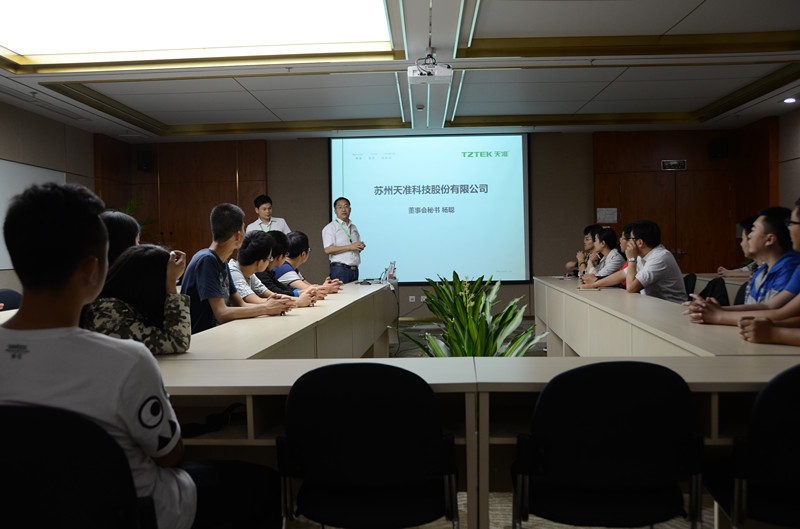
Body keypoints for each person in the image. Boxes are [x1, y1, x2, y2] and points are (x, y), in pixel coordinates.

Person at [0, 183, 282, 529]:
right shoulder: (125, 361)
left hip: (27, 510)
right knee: (263, 485)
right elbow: (169, 455)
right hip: (136, 509)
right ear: (92, 269)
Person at [182, 203, 294, 334]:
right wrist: (266, 308)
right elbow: (222, 313)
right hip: (203, 337)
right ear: (237, 235)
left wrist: (272, 304)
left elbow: (240, 304)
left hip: (218, 333)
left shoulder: (222, 262)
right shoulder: (207, 260)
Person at [685, 203, 800, 325]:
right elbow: (768, 306)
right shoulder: (762, 270)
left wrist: (718, 315)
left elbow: (779, 314)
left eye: (753, 230)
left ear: (770, 239)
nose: (749, 236)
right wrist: (715, 310)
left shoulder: (790, 267)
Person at [81, 244, 192, 355]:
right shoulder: (107, 313)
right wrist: (171, 283)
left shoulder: (129, 306)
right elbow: (178, 341)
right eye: (169, 282)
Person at [228, 231, 316, 308]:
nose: (270, 262)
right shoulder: (234, 273)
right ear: (259, 263)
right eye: (269, 258)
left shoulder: (250, 273)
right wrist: (297, 302)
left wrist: (300, 298)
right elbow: (257, 301)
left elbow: (272, 295)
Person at [624, 220, 687, 303]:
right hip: (654, 304)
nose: (629, 242)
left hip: (671, 307)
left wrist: (631, 259)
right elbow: (622, 274)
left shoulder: (660, 257)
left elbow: (631, 288)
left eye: (631, 238)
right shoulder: (644, 255)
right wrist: (603, 283)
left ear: (640, 242)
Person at [275, 231, 343, 294]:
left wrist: (324, 286)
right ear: (303, 254)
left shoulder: (288, 266)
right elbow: (310, 290)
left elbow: (309, 286)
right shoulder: (284, 268)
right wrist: (325, 288)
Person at [322, 196, 365, 284]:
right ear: (335, 211)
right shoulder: (330, 227)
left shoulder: (353, 227)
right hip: (340, 270)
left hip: (354, 270)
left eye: (346, 206)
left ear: (350, 209)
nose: (343, 210)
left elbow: (355, 248)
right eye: (340, 207)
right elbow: (328, 249)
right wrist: (350, 247)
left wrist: (359, 247)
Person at [577, 224, 633, 290]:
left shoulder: (616, 257)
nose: (594, 244)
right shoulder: (604, 257)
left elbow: (596, 277)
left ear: (603, 243)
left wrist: (590, 262)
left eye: (595, 240)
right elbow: (588, 277)